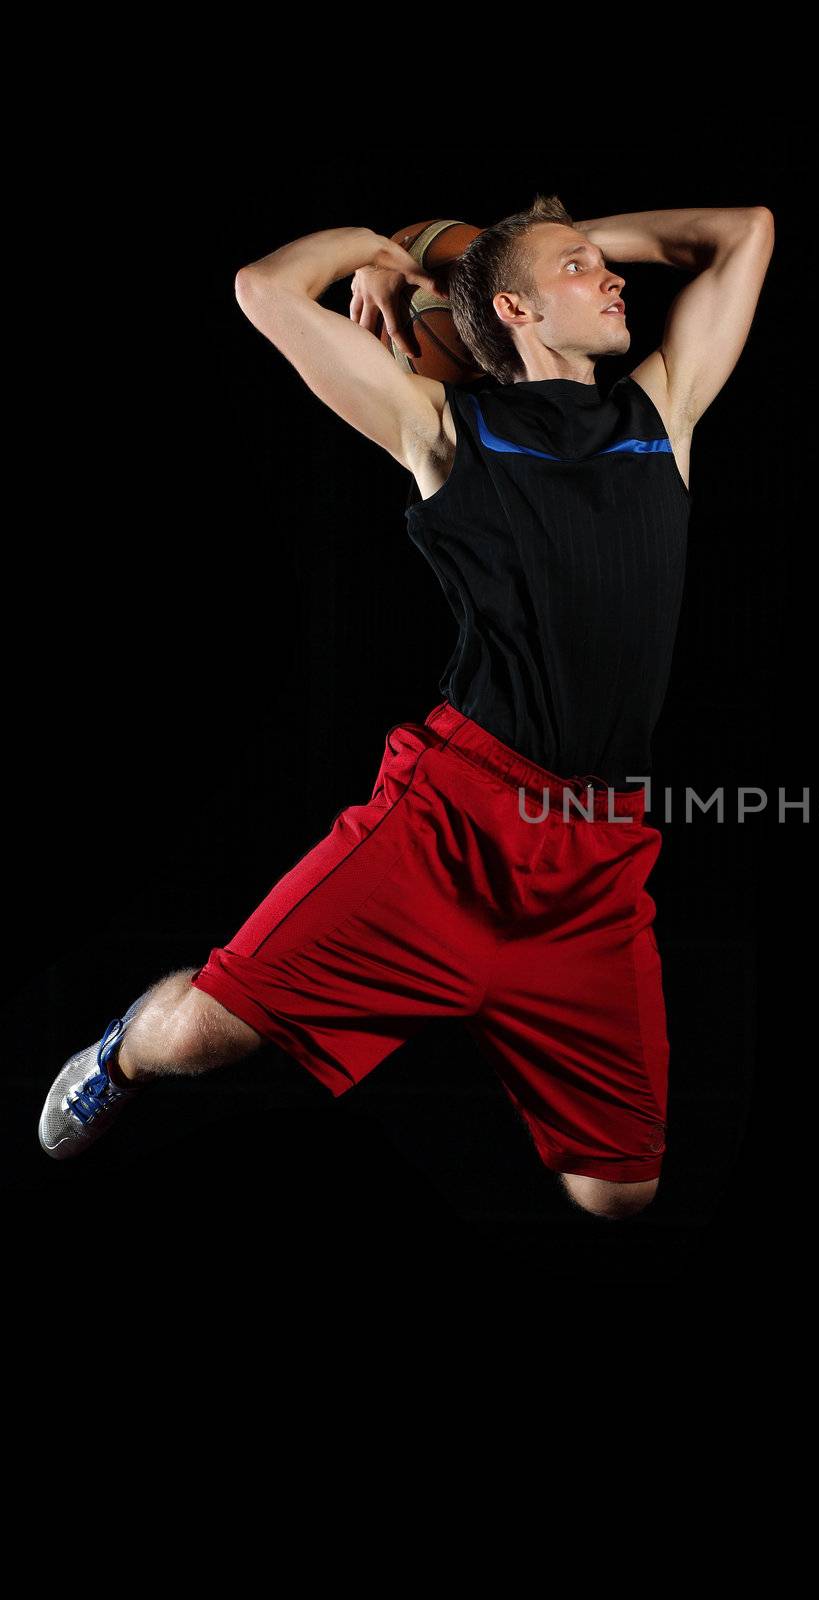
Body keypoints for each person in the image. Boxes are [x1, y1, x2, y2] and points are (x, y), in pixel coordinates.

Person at [37, 194, 775, 1221]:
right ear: (515, 308)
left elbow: (745, 230)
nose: (613, 276)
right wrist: (389, 255)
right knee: (201, 1037)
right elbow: (265, 289)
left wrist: (523, 253)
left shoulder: (662, 411)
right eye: (581, 266)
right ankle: (119, 1050)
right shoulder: (439, 427)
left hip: (593, 861)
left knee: (620, 1193)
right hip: (450, 824)